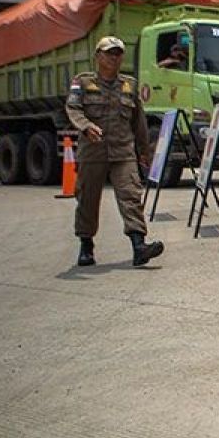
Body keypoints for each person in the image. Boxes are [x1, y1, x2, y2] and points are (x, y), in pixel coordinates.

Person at [65, 36, 165, 268]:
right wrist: (86, 126)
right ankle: (86, 245)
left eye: (118, 53)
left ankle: (139, 246)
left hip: (123, 151)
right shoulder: (83, 82)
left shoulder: (129, 85)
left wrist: (144, 151)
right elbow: (73, 108)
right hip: (93, 152)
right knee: (88, 199)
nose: (114, 57)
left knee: (131, 196)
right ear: (98, 56)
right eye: (109, 53)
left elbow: (138, 121)